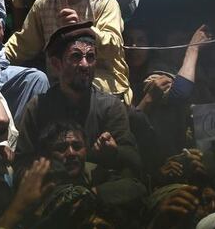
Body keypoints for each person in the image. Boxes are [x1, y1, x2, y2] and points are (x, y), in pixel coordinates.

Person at [4, 0, 132, 103]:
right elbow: (22, 44)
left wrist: (82, 28)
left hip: (102, 86)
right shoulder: (44, 4)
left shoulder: (105, 2)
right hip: (61, 87)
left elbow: (113, 47)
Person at [15, 22, 140, 176]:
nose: (84, 65)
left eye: (90, 57)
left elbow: (134, 161)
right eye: (76, 56)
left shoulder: (110, 107)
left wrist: (114, 152)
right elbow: (21, 165)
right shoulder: (38, 107)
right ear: (56, 64)